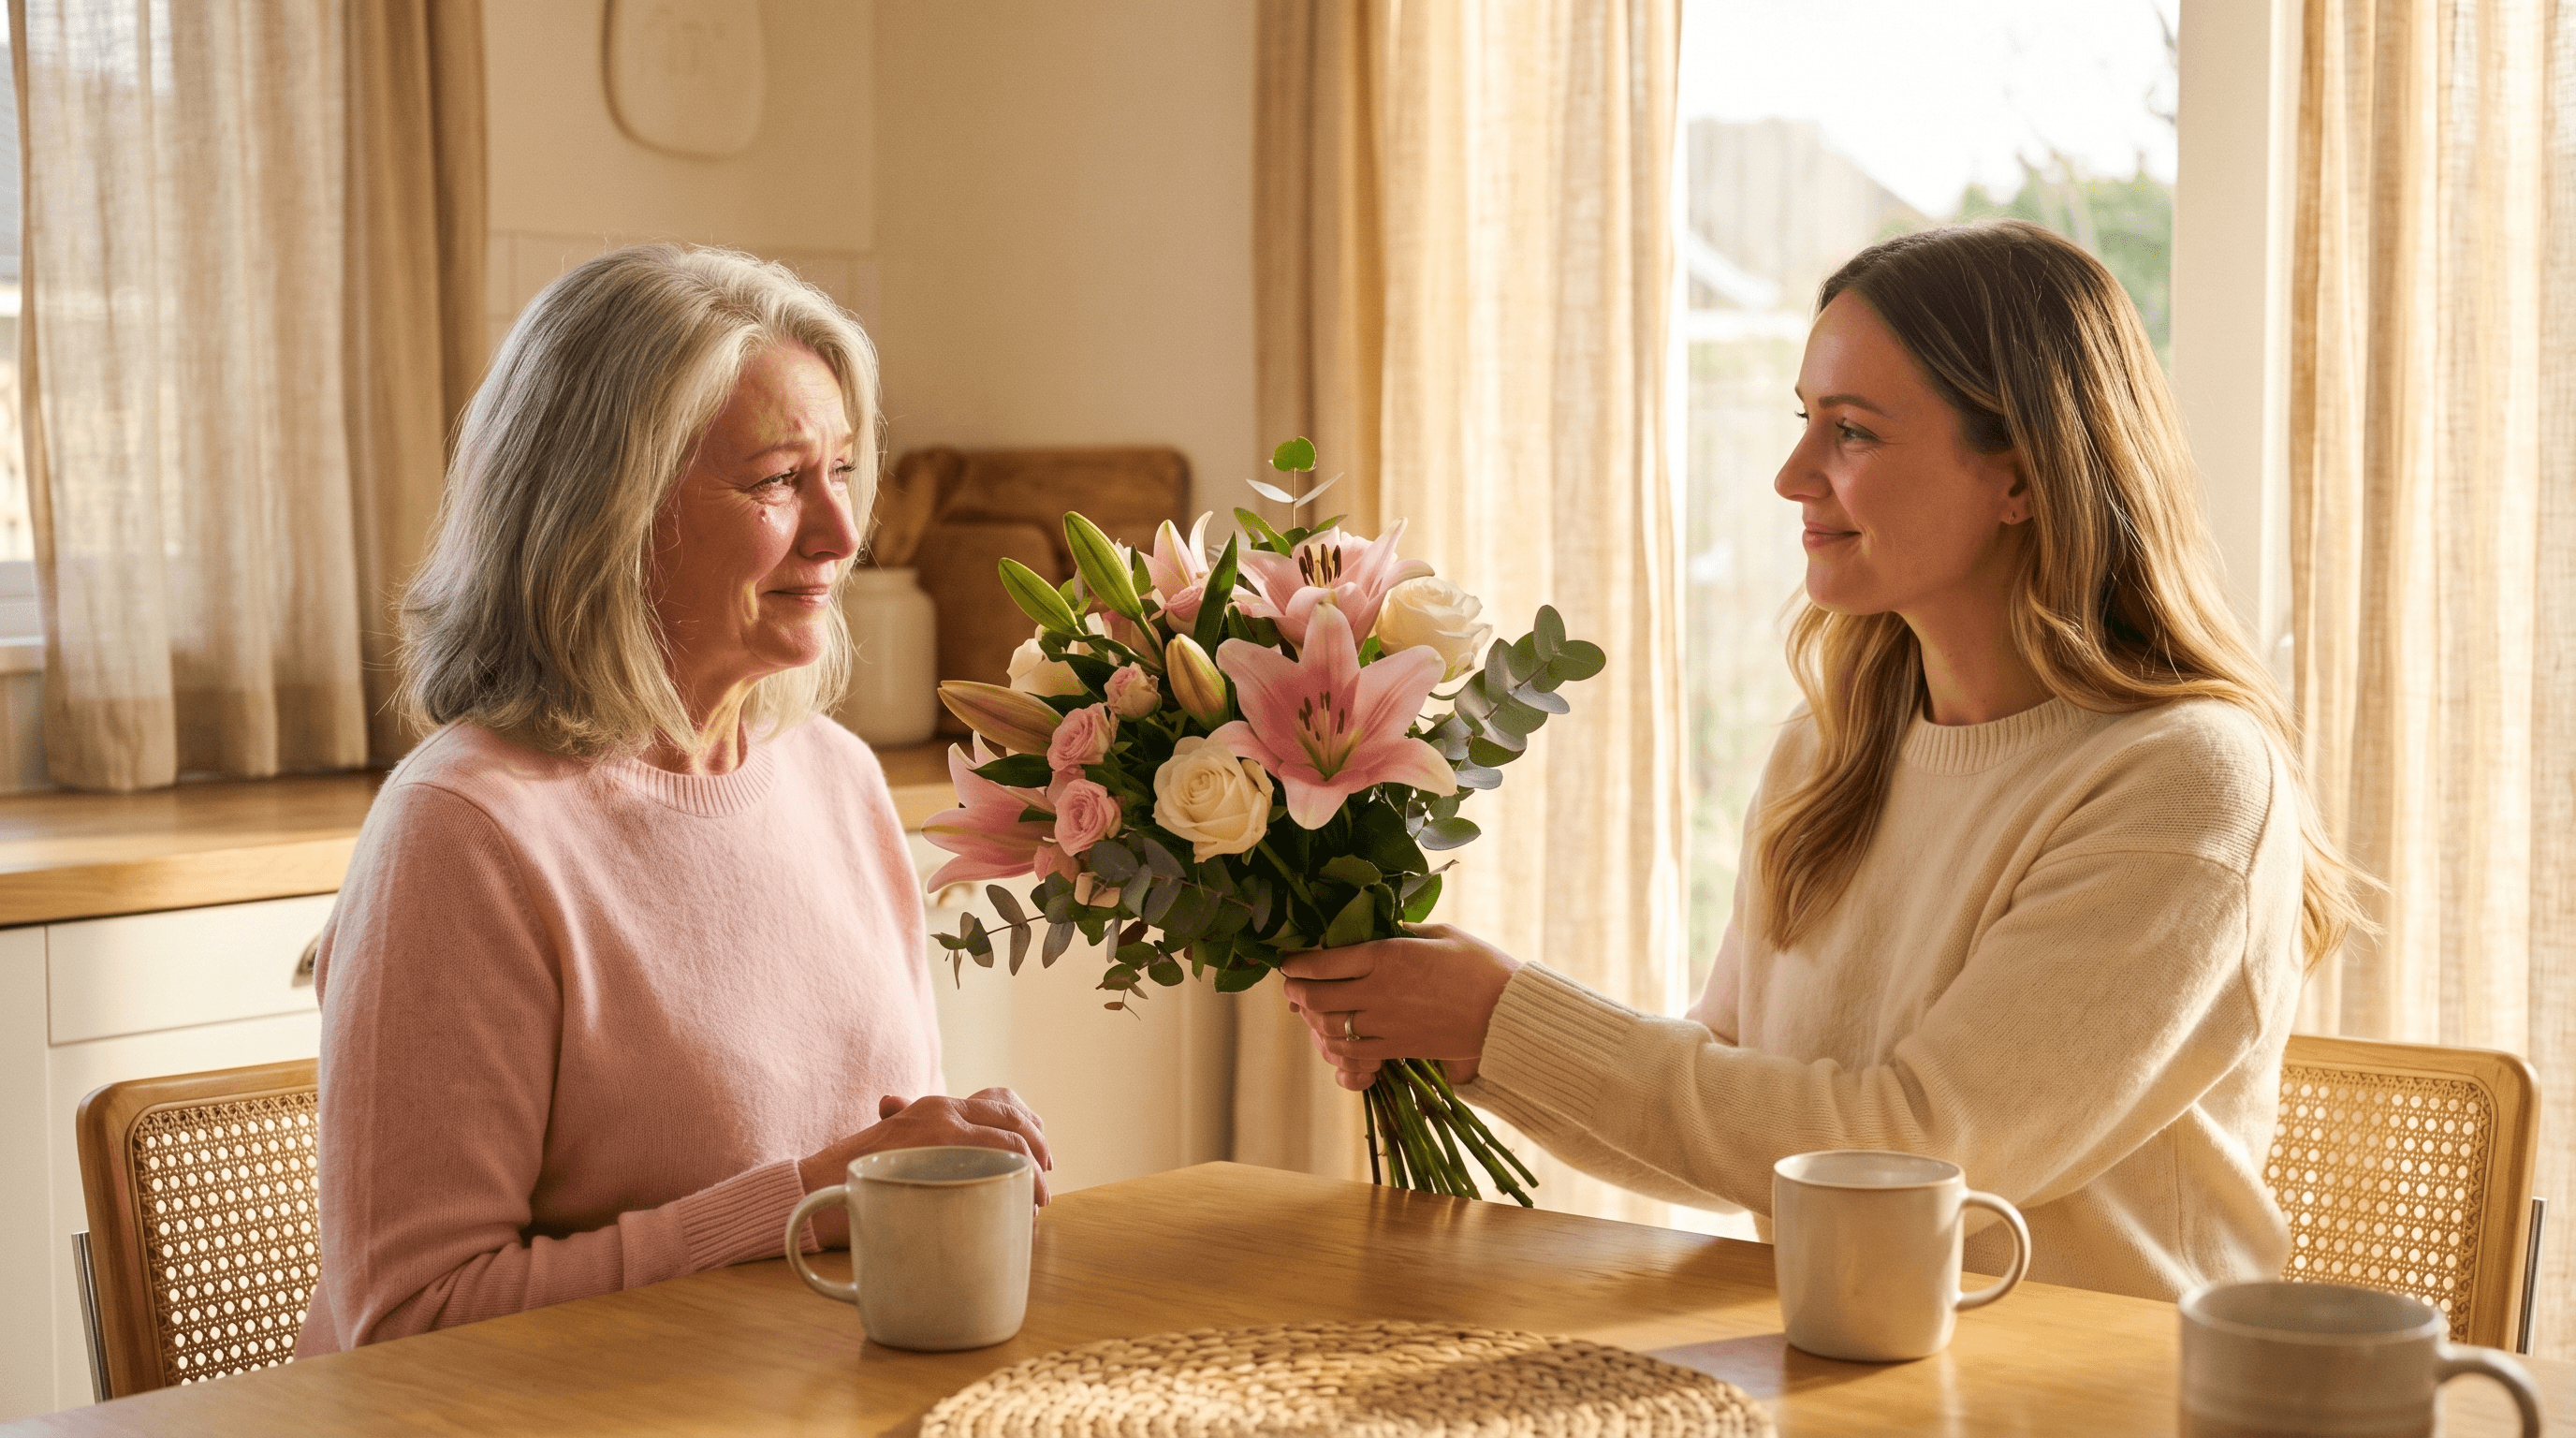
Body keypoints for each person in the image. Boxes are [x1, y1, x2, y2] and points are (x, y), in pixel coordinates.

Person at [1280, 219, 2367, 1301]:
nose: (1791, 475)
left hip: (2097, 1401)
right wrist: (1466, 1039)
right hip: (1839, 1376)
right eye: (1806, 420)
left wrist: (1501, 1015)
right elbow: (1735, 1107)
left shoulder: (2188, 781)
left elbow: (1920, 1152)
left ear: (2021, 480)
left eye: (1849, 432)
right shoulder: (1827, 751)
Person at [297, 245, 1051, 1354]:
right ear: (606, 510)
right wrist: (799, 1200)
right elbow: (407, 1323)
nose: (843, 537)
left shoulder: (835, 778)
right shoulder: (465, 830)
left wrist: (936, 1169)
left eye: (841, 472)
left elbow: (861, 1202)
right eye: (779, 481)